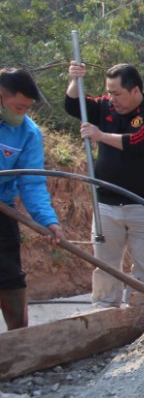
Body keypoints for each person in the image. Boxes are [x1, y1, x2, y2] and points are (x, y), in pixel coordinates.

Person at [65, 61, 144, 308]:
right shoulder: (105, 107)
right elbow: (72, 105)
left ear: (136, 91)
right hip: (107, 204)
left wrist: (100, 136)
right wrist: (74, 80)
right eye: (109, 92)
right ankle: (104, 312)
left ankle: (140, 315)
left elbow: (138, 142)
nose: (111, 98)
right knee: (105, 266)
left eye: (117, 93)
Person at [0, 68, 63, 330]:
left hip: (3, 209)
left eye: (27, 108)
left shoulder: (28, 133)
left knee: (10, 275)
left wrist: (47, 221)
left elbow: (33, 182)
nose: (22, 113)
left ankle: (20, 340)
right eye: (18, 106)